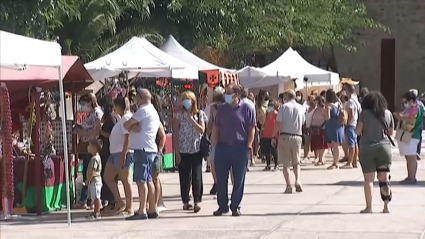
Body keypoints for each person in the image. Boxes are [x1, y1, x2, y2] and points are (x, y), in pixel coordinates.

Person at [211, 83, 255, 216]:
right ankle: (222, 205)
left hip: (239, 147)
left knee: (239, 178)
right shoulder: (222, 109)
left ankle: (235, 206)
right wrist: (214, 145)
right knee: (221, 178)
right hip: (223, 147)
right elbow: (216, 127)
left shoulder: (247, 108)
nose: (226, 95)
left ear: (236, 94)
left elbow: (251, 128)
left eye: (228, 93)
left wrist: (249, 144)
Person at [124, 88, 166, 220]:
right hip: (149, 149)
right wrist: (132, 126)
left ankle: (142, 210)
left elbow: (127, 124)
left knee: (141, 181)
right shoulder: (153, 111)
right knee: (148, 180)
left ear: (141, 98)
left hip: (142, 149)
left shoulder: (143, 111)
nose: (134, 100)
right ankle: (152, 209)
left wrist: (131, 125)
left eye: (136, 97)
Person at [355, 91, 394, 213]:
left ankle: (369, 207)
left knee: (369, 180)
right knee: (384, 178)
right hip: (384, 148)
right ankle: (386, 206)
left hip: (367, 148)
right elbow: (391, 132)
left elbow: (357, 131)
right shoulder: (387, 113)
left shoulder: (364, 114)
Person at [173, 90, 207, 213]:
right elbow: (175, 133)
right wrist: (176, 151)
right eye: (183, 99)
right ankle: (186, 201)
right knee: (184, 177)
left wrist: (192, 119)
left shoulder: (200, 114)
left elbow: (202, 130)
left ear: (193, 101)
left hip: (196, 149)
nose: (185, 102)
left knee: (197, 176)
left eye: (187, 99)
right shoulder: (178, 115)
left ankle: (197, 200)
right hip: (183, 150)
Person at [103, 96, 133, 214]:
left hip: (121, 152)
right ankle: (119, 201)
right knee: (108, 177)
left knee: (125, 179)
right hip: (115, 151)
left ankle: (129, 207)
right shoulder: (122, 119)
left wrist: (124, 153)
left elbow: (128, 136)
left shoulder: (126, 118)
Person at [272, 89, 305, 194]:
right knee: (296, 162)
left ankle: (288, 185)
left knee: (286, 164)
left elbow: (278, 123)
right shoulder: (301, 108)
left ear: (286, 96)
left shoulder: (283, 107)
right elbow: (303, 121)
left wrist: (273, 136)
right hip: (297, 135)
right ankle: (298, 180)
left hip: (285, 136)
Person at [75, 93, 102, 209]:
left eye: (84, 104)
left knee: (89, 172)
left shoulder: (96, 113)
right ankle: (86, 199)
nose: (82, 107)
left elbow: (97, 130)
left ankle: (87, 200)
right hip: (87, 145)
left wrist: (83, 133)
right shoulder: (91, 113)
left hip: (92, 146)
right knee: (87, 171)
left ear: (90, 102)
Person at [394, 91, 423, 184]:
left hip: (412, 135)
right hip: (408, 135)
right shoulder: (411, 109)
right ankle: (410, 176)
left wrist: (401, 117)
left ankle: (412, 177)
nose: (404, 103)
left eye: (405, 101)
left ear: (411, 100)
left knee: (411, 157)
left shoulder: (415, 109)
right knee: (408, 157)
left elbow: (412, 120)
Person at [98, 96, 119, 209]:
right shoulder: (111, 117)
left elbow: (111, 134)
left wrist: (100, 130)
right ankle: (111, 199)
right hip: (108, 150)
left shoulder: (111, 118)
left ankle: (111, 199)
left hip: (108, 150)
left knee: (107, 176)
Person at [206, 87, 225, 195]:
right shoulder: (212, 107)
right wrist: (208, 134)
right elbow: (210, 122)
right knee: (213, 161)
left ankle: (222, 183)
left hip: (225, 137)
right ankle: (216, 182)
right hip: (214, 138)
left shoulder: (227, 107)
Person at [151, 93, 167, 211]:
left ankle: (156, 203)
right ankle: (155, 201)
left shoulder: (155, 117)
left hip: (155, 150)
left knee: (155, 178)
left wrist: (159, 150)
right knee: (152, 178)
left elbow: (163, 136)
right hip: (151, 150)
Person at [341, 84, 361, 169]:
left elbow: (351, 114)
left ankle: (349, 162)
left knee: (351, 144)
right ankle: (354, 162)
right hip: (355, 124)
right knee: (355, 143)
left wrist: (347, 123)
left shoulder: (350, 102)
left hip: (351, 125)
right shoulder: (356, 100)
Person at [324, 89, 345, 170]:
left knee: (335, 146)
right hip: (339, 125)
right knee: (336, 146)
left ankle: (335, 163)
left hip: (333, 126)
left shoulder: (329, 105)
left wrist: (325, 113)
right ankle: (335, 162)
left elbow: (327, 117)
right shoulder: (339, 104)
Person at [85, 139, 103, 219]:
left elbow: (92, 171)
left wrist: (88, 180)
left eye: (89, 145)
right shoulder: (95, 158)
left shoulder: (94, 159)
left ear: (94, 148)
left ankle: (97, 213)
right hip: (94, 181)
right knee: (95, 197)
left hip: (95, 181)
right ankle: (95, 212)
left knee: (96, 198)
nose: (88, 147)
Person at [310, 96, 329, 166]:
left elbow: (327, 119)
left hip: (321, 129)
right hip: (315, 129)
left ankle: (321, 159)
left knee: (321, 145)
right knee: (316, 145)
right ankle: (317, 158)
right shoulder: (315, 109)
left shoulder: (323, 110)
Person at [260, 100, 279, 171]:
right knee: (267, 151)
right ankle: (268, 165)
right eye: (269, 106)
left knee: (274, 150)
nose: (269, 107)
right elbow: (264, 123)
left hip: (273, 135)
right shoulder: (267, 114)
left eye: (271, 106)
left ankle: (276, 165)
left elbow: (278, 124)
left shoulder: (277, 114)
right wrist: (262, 131)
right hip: (266, 134)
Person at [241, 87, 256, 168]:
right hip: (251, 126)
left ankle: (245, 164)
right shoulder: (251, 103)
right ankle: (250, 160)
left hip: (242, 127)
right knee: (249, 145)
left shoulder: (240, 103)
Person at [409, 89, 424, 160]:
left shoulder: (411, 103)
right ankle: (416, 152)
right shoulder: (420, 103)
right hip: (419, 123)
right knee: (418, 138)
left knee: (412, 137)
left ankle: (414, 152)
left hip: (412, 123)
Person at [303, 95, 316, 161]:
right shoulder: (307, 108)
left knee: (315, 143)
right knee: (306, 143)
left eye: (313, 100)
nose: (311, 101)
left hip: (314, 128)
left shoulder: (316, 109)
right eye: (310, 99)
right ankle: (306, 156)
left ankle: (317, 157)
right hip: (307, 128)